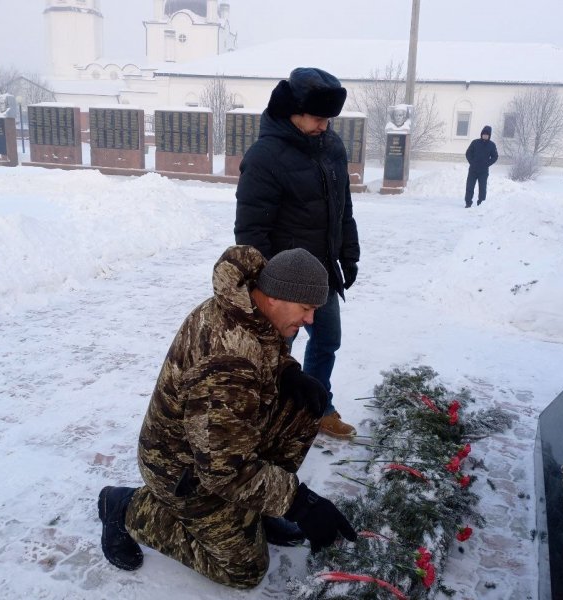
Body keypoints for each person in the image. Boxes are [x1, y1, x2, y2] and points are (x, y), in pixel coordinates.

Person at [97, 245, 357, 589]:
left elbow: (265, 349)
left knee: (304, 407)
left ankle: (254, 510)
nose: (310, 320)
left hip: (217, 443)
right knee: (245, 570)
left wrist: (288, 372)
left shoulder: (251, 309)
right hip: (181, 468)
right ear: (276, 297)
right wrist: (299, 504)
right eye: (306, 308)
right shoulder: (227, 364)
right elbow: (223, 471)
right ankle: (126, 508)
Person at [234, 67, 361, 439]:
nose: (325, 126)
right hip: (284, 281)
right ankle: (270, 418)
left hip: (321, 272)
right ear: (294, 111)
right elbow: (250, 230)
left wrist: (348, 254)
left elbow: (343, 209)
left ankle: (317, 406)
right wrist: (270, 283)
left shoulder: (332, 148)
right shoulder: (265, 156)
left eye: (328, 119)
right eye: (319, 118)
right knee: (276, 353)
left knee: (327, 341)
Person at [464, 125, 499, 207]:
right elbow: (468, 153)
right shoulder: (475, 142)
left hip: (483, 171)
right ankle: (468, 203)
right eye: (484, 134)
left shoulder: (492, 145)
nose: (485, 135)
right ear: (481, 134)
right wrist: (472, 162)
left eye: (487, 134)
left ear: (489, 136)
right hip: (473, 169)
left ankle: (481, 204)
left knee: (482, 188)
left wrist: (487, 163)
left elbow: (495, 157)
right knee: (470, 187)